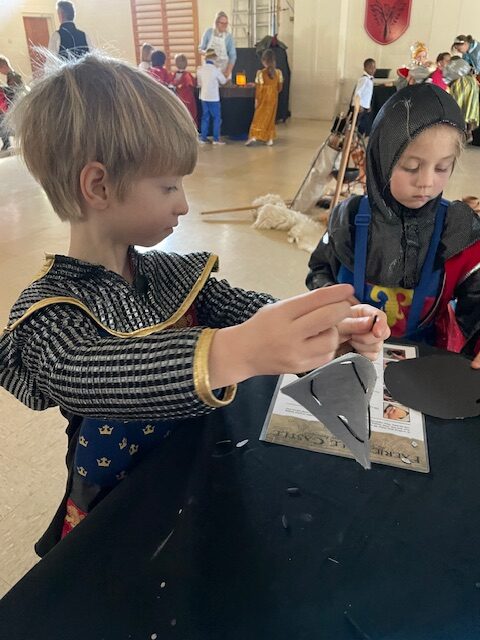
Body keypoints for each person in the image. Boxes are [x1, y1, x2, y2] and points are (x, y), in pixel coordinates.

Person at [0, 53, 388, 554]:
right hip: (122, 502)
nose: (183, 203)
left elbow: (242, 310)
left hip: (200, 466)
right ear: (98, 186)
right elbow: (93, 372)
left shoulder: (165, 272)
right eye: (167, 186)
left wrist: (323, 327)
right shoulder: (49, 314)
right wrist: (238, 352)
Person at [306, 83, 480, 367]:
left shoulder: (458, 230)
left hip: (423, 362)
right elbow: (320, 271)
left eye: (441, 168)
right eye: (411, 167)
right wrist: (336, 308)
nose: (425, 182)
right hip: (348, 352)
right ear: (381, 160)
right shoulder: (347, 219)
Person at [245, 49, 283, 147]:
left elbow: (259, 88)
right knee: (271, 118)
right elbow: (280, 87)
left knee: (258, 117)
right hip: (274, 98)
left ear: (263, 61)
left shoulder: (260, 73)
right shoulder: (278, 73)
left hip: (263, 98)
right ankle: (269, 139)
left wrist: (257, 100)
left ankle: (254, 136)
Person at [197, 48, 227, 145]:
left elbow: (199, 83)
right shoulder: (216, 70)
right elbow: (223, 81)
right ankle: (216, 139)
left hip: (203, 96)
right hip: (213, 97)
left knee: (205, 117)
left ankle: (203, 138)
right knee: (216, 118)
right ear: (214, 58)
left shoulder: (200, 69)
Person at [448, 56, 479, 143]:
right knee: (468, 110)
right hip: (471, 86)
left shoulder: (456, 72)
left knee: (459, 109)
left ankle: (463, 132)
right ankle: (467, 132)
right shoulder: (468, 71)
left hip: (461, 86)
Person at [199, 11, 236, 79]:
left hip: (224, 69)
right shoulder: (208, 32)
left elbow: (233, 56)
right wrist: (208, 53)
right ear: (216, 23)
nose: (224, 25)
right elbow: (200, 49)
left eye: (226, 23)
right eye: (222, 23)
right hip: (209, 69)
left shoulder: (229, 37)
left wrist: (228, 72)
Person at [0, 54, 24, 150]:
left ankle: (7, 143)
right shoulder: (13, 76)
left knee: (3, 123)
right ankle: (7, 143)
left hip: (13, 105)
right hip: (11, 105)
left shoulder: (13, 77)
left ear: (4, 67)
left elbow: (14, 93)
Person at [352, 58, 376, 136]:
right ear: (365, 68)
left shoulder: (369, 80)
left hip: (365, 107)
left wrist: (368, 106)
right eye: (370, 67)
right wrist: (358, 105)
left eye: (374, 67)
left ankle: (359, 140)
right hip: (360, 107)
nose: (373, 70)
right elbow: (357, 92)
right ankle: (356, 140)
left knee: (364, 126)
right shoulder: (364, 79)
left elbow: (367, 95)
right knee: (359, 125)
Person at [172, 53, 197, 126]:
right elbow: (193, 84)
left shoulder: (176, 74)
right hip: (187, 98)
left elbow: (173, 83)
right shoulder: (187, 75)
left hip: (180, 97)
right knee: (190, 114)